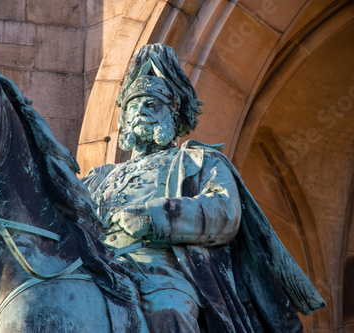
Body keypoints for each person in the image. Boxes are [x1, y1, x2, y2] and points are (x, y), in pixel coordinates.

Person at [83, 44, 325, 332]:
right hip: (95, 267)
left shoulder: (199, 160)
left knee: (168, 308)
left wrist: (153, 218)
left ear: (172, 117)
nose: (140, 112)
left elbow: (224, 211)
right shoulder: (98, 177)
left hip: (161, 272)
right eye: (134, 106)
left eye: (151, 105)